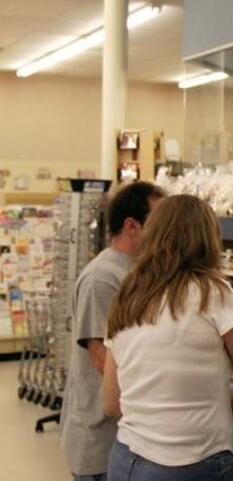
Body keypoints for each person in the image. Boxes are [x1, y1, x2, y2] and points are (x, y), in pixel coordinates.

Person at [102, 194, 233, 480]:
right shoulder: (212, 292)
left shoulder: (127, 295)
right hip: (192, 462)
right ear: (208, 239)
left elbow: (111, 402)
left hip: (125, 459)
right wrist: (222, 408)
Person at [60, 181, 165, 481]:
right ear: (133, 226)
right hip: (100, 444)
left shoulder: (138, 272)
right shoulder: (102, 278)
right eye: (158, 221)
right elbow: (102, 358)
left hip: (129, 436)